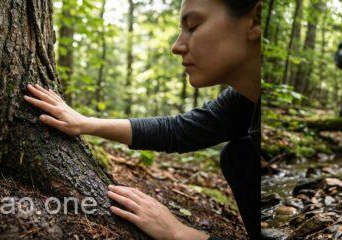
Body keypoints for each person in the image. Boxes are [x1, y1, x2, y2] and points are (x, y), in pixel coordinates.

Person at [22, 0, 261, 239]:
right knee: (238, 156)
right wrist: (85, 124)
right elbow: (180, 131)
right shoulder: (243, 101)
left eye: (193, 25)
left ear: (256, 21)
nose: (176, 46)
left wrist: (180, 233)